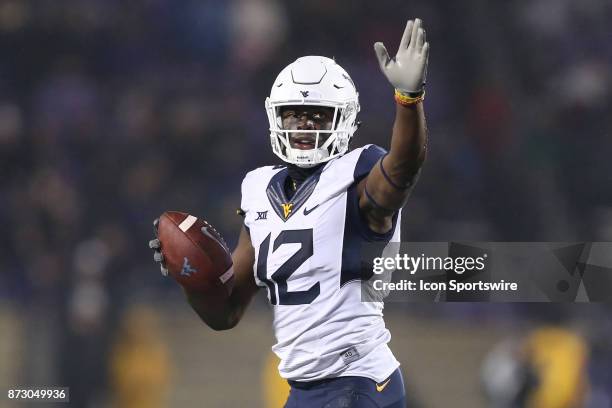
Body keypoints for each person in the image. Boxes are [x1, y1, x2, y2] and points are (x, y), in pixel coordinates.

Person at [150, 18, 429, 408]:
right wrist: (192, 277)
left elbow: (403, 168)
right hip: (303, 389)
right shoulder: (259, 190)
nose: (304, 125)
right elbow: (225, 313)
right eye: (294, 114)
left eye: (318, 115)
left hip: (359, 381)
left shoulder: (357, 175)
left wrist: (408, 98)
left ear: (344, 119)